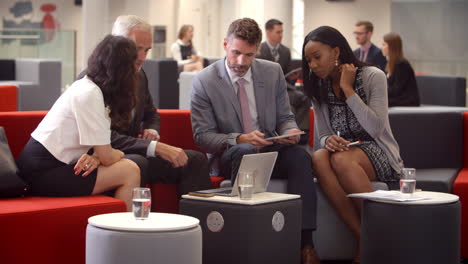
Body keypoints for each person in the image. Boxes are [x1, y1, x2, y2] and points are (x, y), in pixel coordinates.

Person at [191, 18, 319, 264]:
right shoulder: (204, 81)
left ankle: (306, 244)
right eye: (236, 53)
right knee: (245, 149)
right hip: (230, 153)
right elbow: (203, 137)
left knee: (301, 157)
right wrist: (239, 138)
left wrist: (290, 130)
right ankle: (244, 241)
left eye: (248, 55)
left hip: (271, 147)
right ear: (225, 44)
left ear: (257, 49)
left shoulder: (272, 72)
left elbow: (285, 118)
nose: (241, 62)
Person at [303, 26, 404, 263]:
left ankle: (368, 240)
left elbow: (376, 128)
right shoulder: (319, 85)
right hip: (345, 153)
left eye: (317, 57)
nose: (313, 66)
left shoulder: (372, 76)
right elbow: (322, 135)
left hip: (379, 151)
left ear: (336, 51)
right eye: (309, 60)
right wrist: (329, 140)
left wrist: (349, 90)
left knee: (340, 158)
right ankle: (367, 237)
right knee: (318, 156)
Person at [80, 15, 211, 197]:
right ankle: (136, 224)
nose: (142, 57)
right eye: (136, 49)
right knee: (137, 163)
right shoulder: (92, 80)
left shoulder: (140, 76)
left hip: (134, 150)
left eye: (147, 50)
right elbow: (102, 137)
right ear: (118, 44)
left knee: (194, 160)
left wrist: (151, 129)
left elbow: (151, 113)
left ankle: (195, 224)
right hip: (102, 157)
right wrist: (153, 147)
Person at [16, 35, 142, 211]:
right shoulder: (90, 94)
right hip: (41, 173)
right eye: (135, 65)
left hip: (49, 166)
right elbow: (107, 156)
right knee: (129, 170)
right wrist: (114, 154)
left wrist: (97, 157)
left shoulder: (89, 87)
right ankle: (125, 234)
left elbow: (99, 152)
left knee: (127, 167)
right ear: (123, 70)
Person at [257, 18, 311, 144]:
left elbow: (286, 75)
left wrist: (291, 79)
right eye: (278, 32)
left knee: (304, 97)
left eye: (282, 32)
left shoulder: (285, 51)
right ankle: (284, 133)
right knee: (289, 106)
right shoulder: (259, 50)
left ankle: (298, 131)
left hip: (284, 87)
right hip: (266, 90)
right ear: (268, 32)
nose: (281, 35)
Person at [381, 32, 420, 107]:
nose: (381, 47)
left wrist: (379, 91)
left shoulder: (402, 64)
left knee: (377, 102)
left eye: (384, 45)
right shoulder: (390, 63)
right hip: (398, 98)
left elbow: (396, 90)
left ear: (392, 47)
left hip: (407, 101)